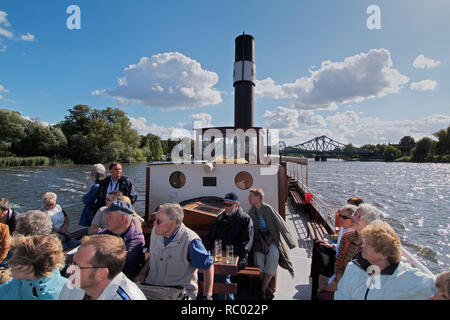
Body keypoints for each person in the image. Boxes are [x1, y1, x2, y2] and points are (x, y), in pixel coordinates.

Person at [335, 220, 435, 300]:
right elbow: (342, 294)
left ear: (384, 254)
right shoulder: (353, 267)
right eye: (364, 242)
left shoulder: (407, 278)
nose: (362, 246)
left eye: (367, 244)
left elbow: (438, 288)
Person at [134, 203, 214, 300]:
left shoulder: (190, 241)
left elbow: (208, 265)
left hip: (179, 293)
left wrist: (208, 296)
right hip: (152, 288)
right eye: (155, 219)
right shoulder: (156, 232)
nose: (154, 224)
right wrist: (142, 272)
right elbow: (154, 255)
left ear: (172, 224)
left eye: (158, 221)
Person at [320, 203, 382, 298]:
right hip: (341, 280)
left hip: (358, 290)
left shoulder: (374, 247)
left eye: (359, 216)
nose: (353, 218)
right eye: (354, 215)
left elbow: (374, 281)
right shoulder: (347, 237)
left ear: (369, 222)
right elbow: (339, 261)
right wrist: (339, 277)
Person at [59, 234, 146, 300]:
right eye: (72, 262)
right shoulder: (73, 284)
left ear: (101, 274)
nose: (69, 269)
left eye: (77, 266)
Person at [247, 188, 296, 300]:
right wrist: (263, 243)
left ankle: (262, 289)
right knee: (258, 259)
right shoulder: (251, 212)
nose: (249, 198)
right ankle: (265, 289)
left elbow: (277, 226)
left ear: (258, 198)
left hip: (272, 239)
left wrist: (268, 242)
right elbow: (254, 231)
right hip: (260, 242)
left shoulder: (268, 209)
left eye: (251, 196)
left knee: (273, 255)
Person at [204, 192, 254, 300]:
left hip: (238, 258)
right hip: (219, 256)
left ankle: (225, 298)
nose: (226, 207)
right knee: (205, 268)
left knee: (221, 272)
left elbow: (246, 245)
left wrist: (227, 252)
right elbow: (210, 237)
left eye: (229, 205)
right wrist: (207, 251)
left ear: (236, 205)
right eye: (225, 204)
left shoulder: (245, 220)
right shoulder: (220, 219)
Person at [0, 234, 68, 300]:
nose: (9, 264)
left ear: (28, 268)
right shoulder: (14, 284)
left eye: (14, 262)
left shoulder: (69, 293)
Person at [310, 204, 357, 299]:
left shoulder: (352, 236)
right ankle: (314, 279)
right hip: (336, 255)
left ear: (353, 219)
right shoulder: (344, 229)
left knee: (321, 265)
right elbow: (339, 247)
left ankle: (318, 290)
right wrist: (330, 245)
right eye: (340, 215)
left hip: (339, 264)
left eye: (344, 217)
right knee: (318, 245)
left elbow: (345, 260)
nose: (340, 219)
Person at [98, 200, 145, 280]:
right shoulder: (104, 233)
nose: (106, 219)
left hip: (121, 280)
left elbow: (119, 263)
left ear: (123, 219)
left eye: (110, 216)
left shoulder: (136, 240)